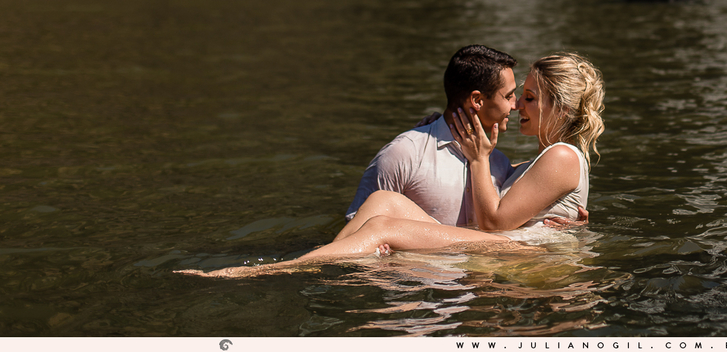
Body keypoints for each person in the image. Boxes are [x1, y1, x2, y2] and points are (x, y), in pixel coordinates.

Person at [187, 53, 604, 276]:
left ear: (561, 106)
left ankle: (275, 271)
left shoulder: (562, 155)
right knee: (384, 202)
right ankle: (333, 259)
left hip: (520, 256)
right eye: (519, 95)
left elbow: (493, 223)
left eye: (530, 97)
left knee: (386, 227)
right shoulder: (548, 157)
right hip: (514, 248)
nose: (518, 105)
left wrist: (478, 159)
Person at [339, 44, 519, 234]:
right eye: (508, 96)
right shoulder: (403, 154)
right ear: (477, 101)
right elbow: (354, 233)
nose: (516, 104)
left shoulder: (500, 163)